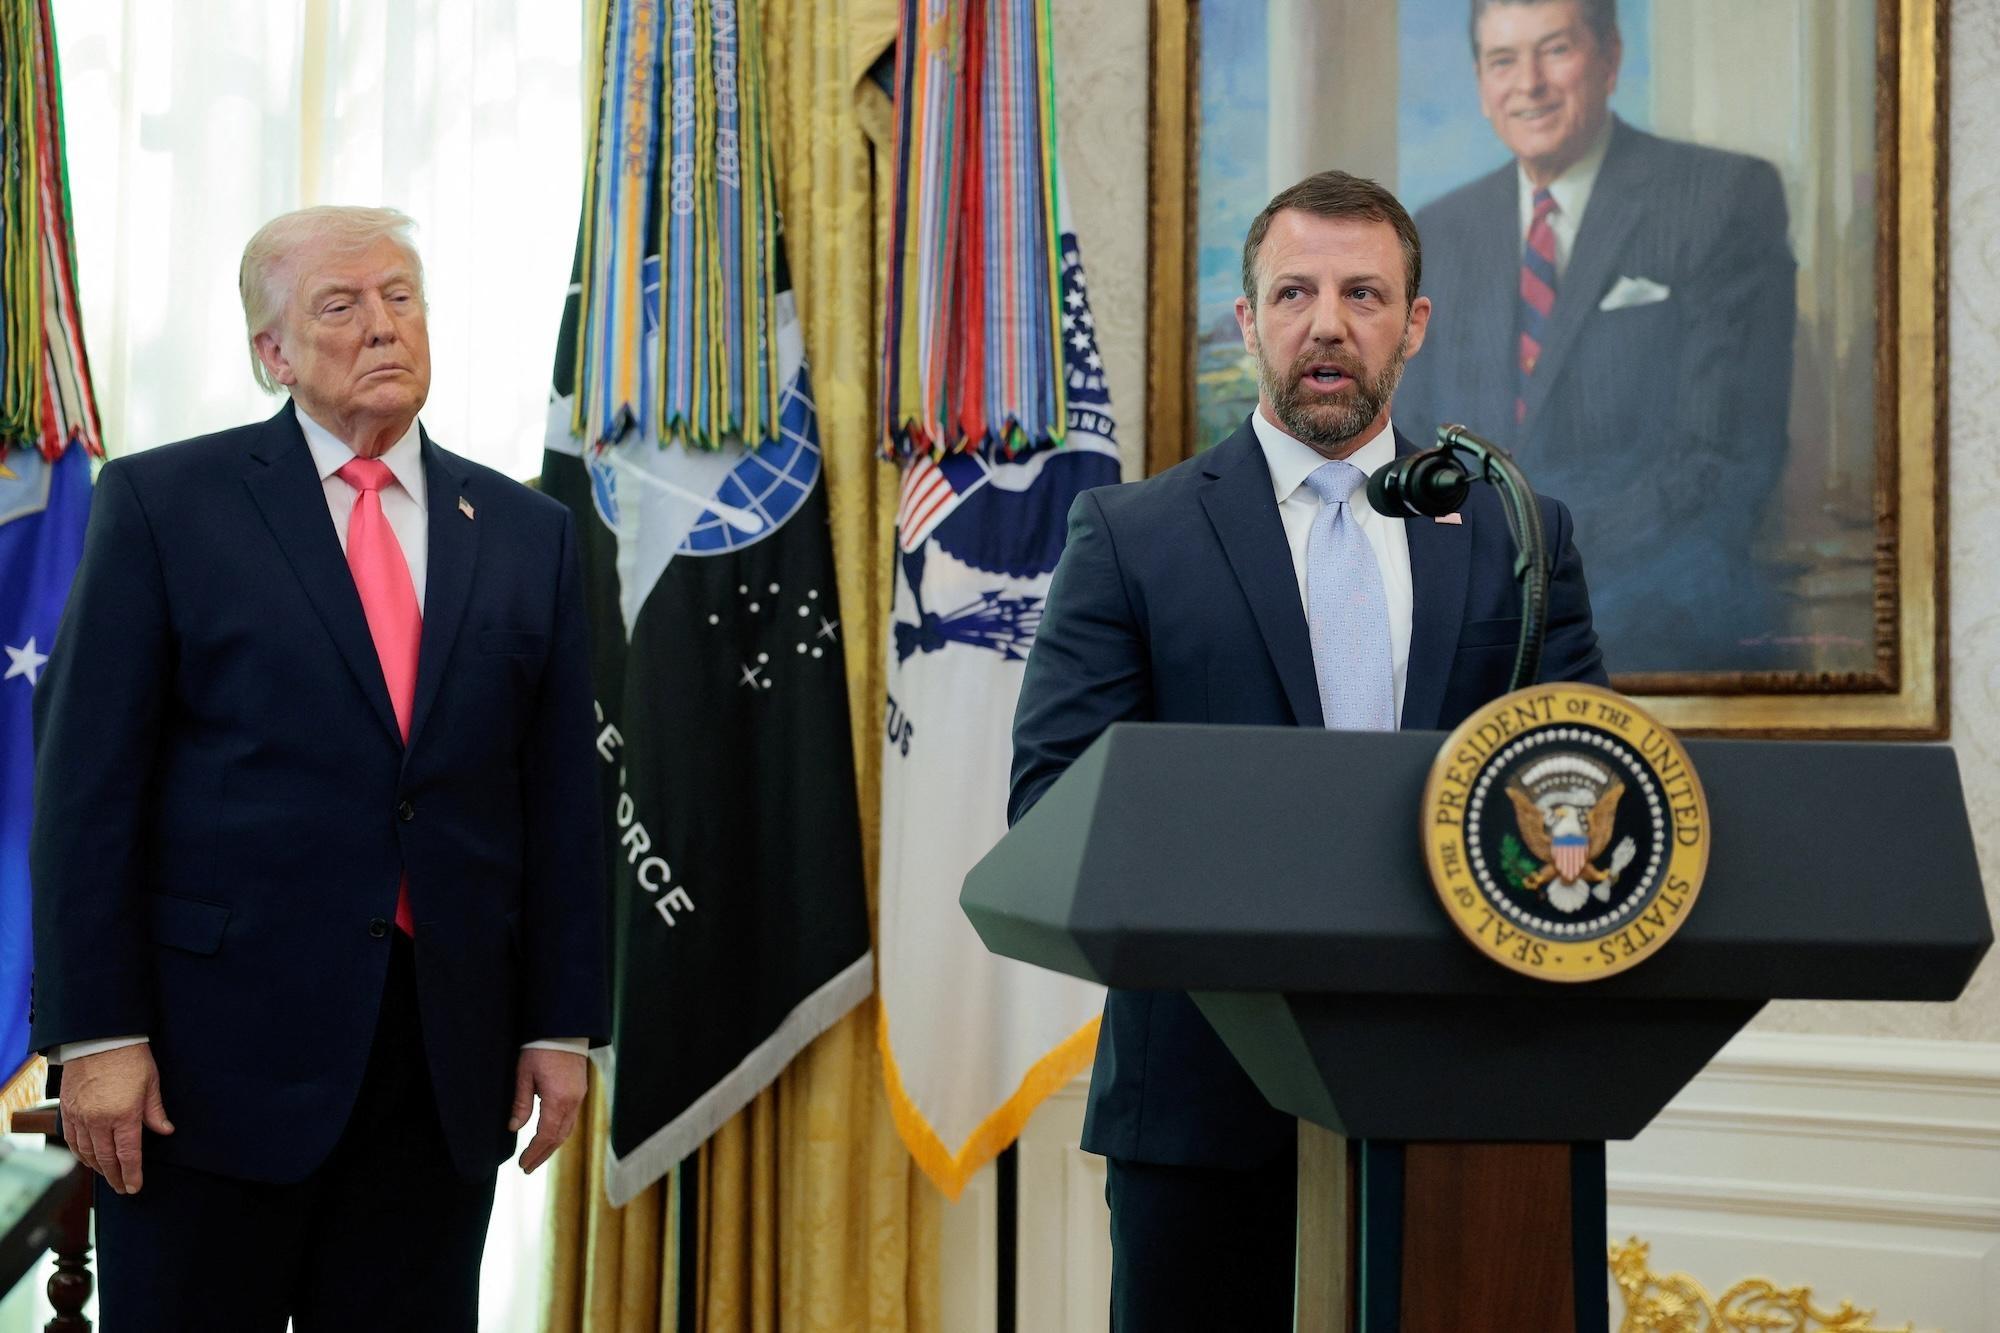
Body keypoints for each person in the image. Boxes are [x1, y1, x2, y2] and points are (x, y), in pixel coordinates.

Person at [1010, 171, 1606, 1330]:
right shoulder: (1133, 537)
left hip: (1463, 1094)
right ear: (1247, 320)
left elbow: (1575, 778)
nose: (1326, 323)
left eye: (1361, 294)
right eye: (1293, 292)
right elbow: (1052, 803)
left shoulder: (1515, 529)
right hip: (1200, 1106)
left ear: (1412, 323)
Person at [30, 205, 608, 1329]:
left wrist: (559, 1024)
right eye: (339, 306)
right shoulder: (162, 505)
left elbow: (559, 802)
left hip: (439, 1073)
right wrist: (97, 1034)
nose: (382, 325)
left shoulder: (527, 532)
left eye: (400, 297)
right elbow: (86, 791)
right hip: (203, 1072)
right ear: (273, 353)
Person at [1393, 0, 1797, 673]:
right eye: (1503, 60)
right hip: (1474, 633)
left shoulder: (1722, 197)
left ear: (1609, 58)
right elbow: (1412, 446)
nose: (1529, 84)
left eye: (1555, 50)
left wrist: (1534, 560)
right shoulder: (1439, 230)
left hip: (1663, 629)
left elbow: (1723, 461)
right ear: (1482, 84)